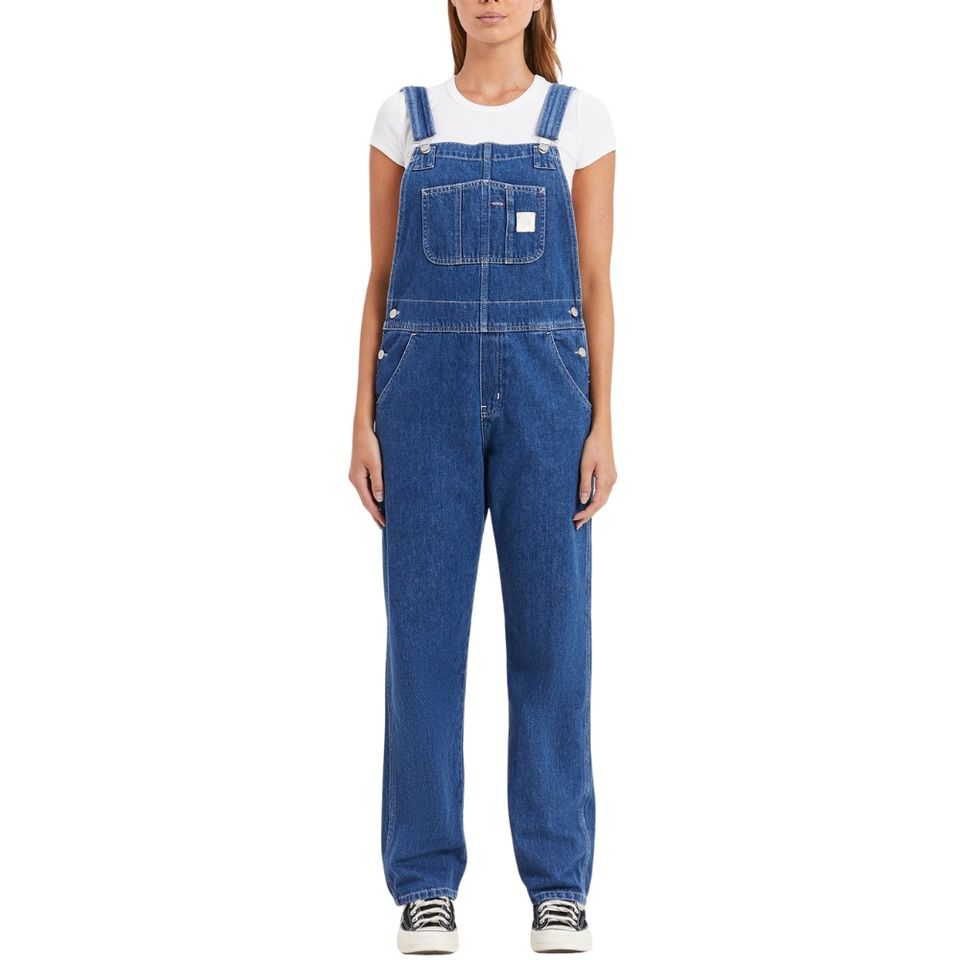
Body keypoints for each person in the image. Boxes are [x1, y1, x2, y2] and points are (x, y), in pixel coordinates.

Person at [349, 1, 617, 953]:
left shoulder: (578, 120)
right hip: (419, 402)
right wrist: (361, 421)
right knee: (422, 641)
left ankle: (558, 886)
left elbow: (596, 285)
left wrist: (603, 423)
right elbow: (380, 282)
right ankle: (426, 885)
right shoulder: (405, 118)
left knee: (555, 642)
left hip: (550, 399)